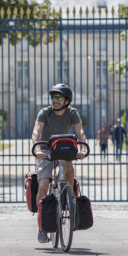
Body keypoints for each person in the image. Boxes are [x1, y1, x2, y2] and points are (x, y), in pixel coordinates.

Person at [32, 83, 88, 243]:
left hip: (64, 147)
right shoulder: (45, 112)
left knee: (68, 164)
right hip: (46, 149)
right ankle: (42, 225)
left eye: (59, 97)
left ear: (67, 100)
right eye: (53, 97)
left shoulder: (72, 113)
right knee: (43, 184)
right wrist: (37, 150)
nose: (54, 100)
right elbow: (36, 131)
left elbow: (80, 132)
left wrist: (82, 147)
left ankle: (69, 199)